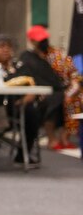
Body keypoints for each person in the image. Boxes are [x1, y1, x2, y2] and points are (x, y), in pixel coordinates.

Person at [15, 25, 70, 156]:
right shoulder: (27, 57)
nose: (43, 42)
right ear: (32, 41)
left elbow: (67, 71)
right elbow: (28, 79)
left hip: (59, 88)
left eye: (44, 39)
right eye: (40, 40)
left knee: (71, 98)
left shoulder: (53, 55)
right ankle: (52, 138)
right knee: (55, 99)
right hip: (41, 93)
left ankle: (65, 136)